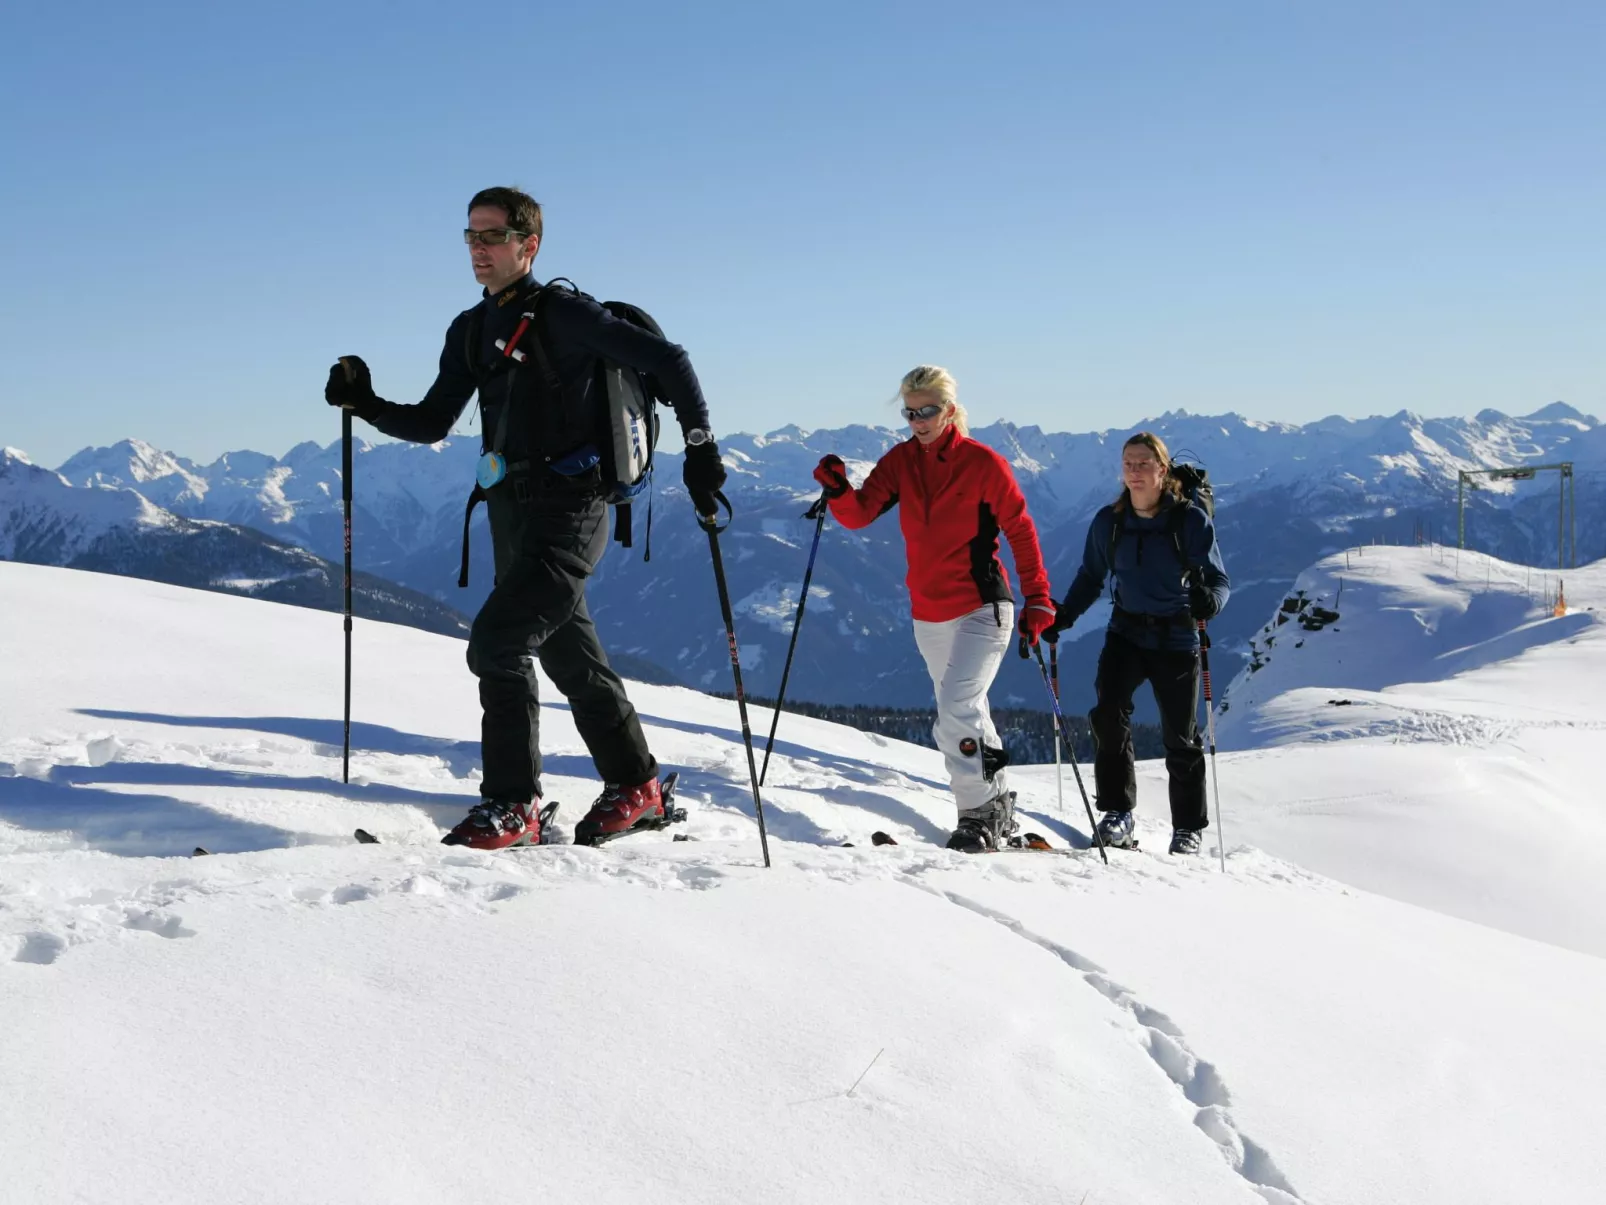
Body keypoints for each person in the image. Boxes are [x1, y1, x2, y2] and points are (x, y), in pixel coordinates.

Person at [324, 186, 727, 849]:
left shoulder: (565, 313)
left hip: (575, 506)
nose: (478, 250)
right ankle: (639, 783)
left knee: (499, 641)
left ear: (528, 244)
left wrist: (702, 450)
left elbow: (668, 359)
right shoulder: (471, 329)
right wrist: (364, 402)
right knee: (571, 654)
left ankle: (514, 804)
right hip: (510, 510)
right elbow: (431, 422)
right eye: (470, 237)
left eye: (492, 237)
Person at [812, 366, 1057, 852]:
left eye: (927, 410)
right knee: (966, 710)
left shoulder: (983, 463)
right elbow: (861, 514)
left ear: (949, 409)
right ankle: (997, 802)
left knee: (956, 707)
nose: (918, 420)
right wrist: (839, 491)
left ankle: (976, 814)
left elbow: (1021, 530)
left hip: (982, 606)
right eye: (910, 412)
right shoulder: (902, 461)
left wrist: (1039, 598)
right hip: (928, 612)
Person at [1044, 433, 1229, 855]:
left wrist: (1210, 603)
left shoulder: (1189, 522)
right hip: (1125, 633)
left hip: (1178, 636)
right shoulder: (1109, 522)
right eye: (1128, 463)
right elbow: (1091, 576)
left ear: (1162, 471)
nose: (1134, 470)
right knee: (1108, 714)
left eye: (1144, 463)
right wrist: (1064, 617)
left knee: (1181, 736)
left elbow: (1219, 580)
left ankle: (1187, 828)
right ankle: (1117, 813)